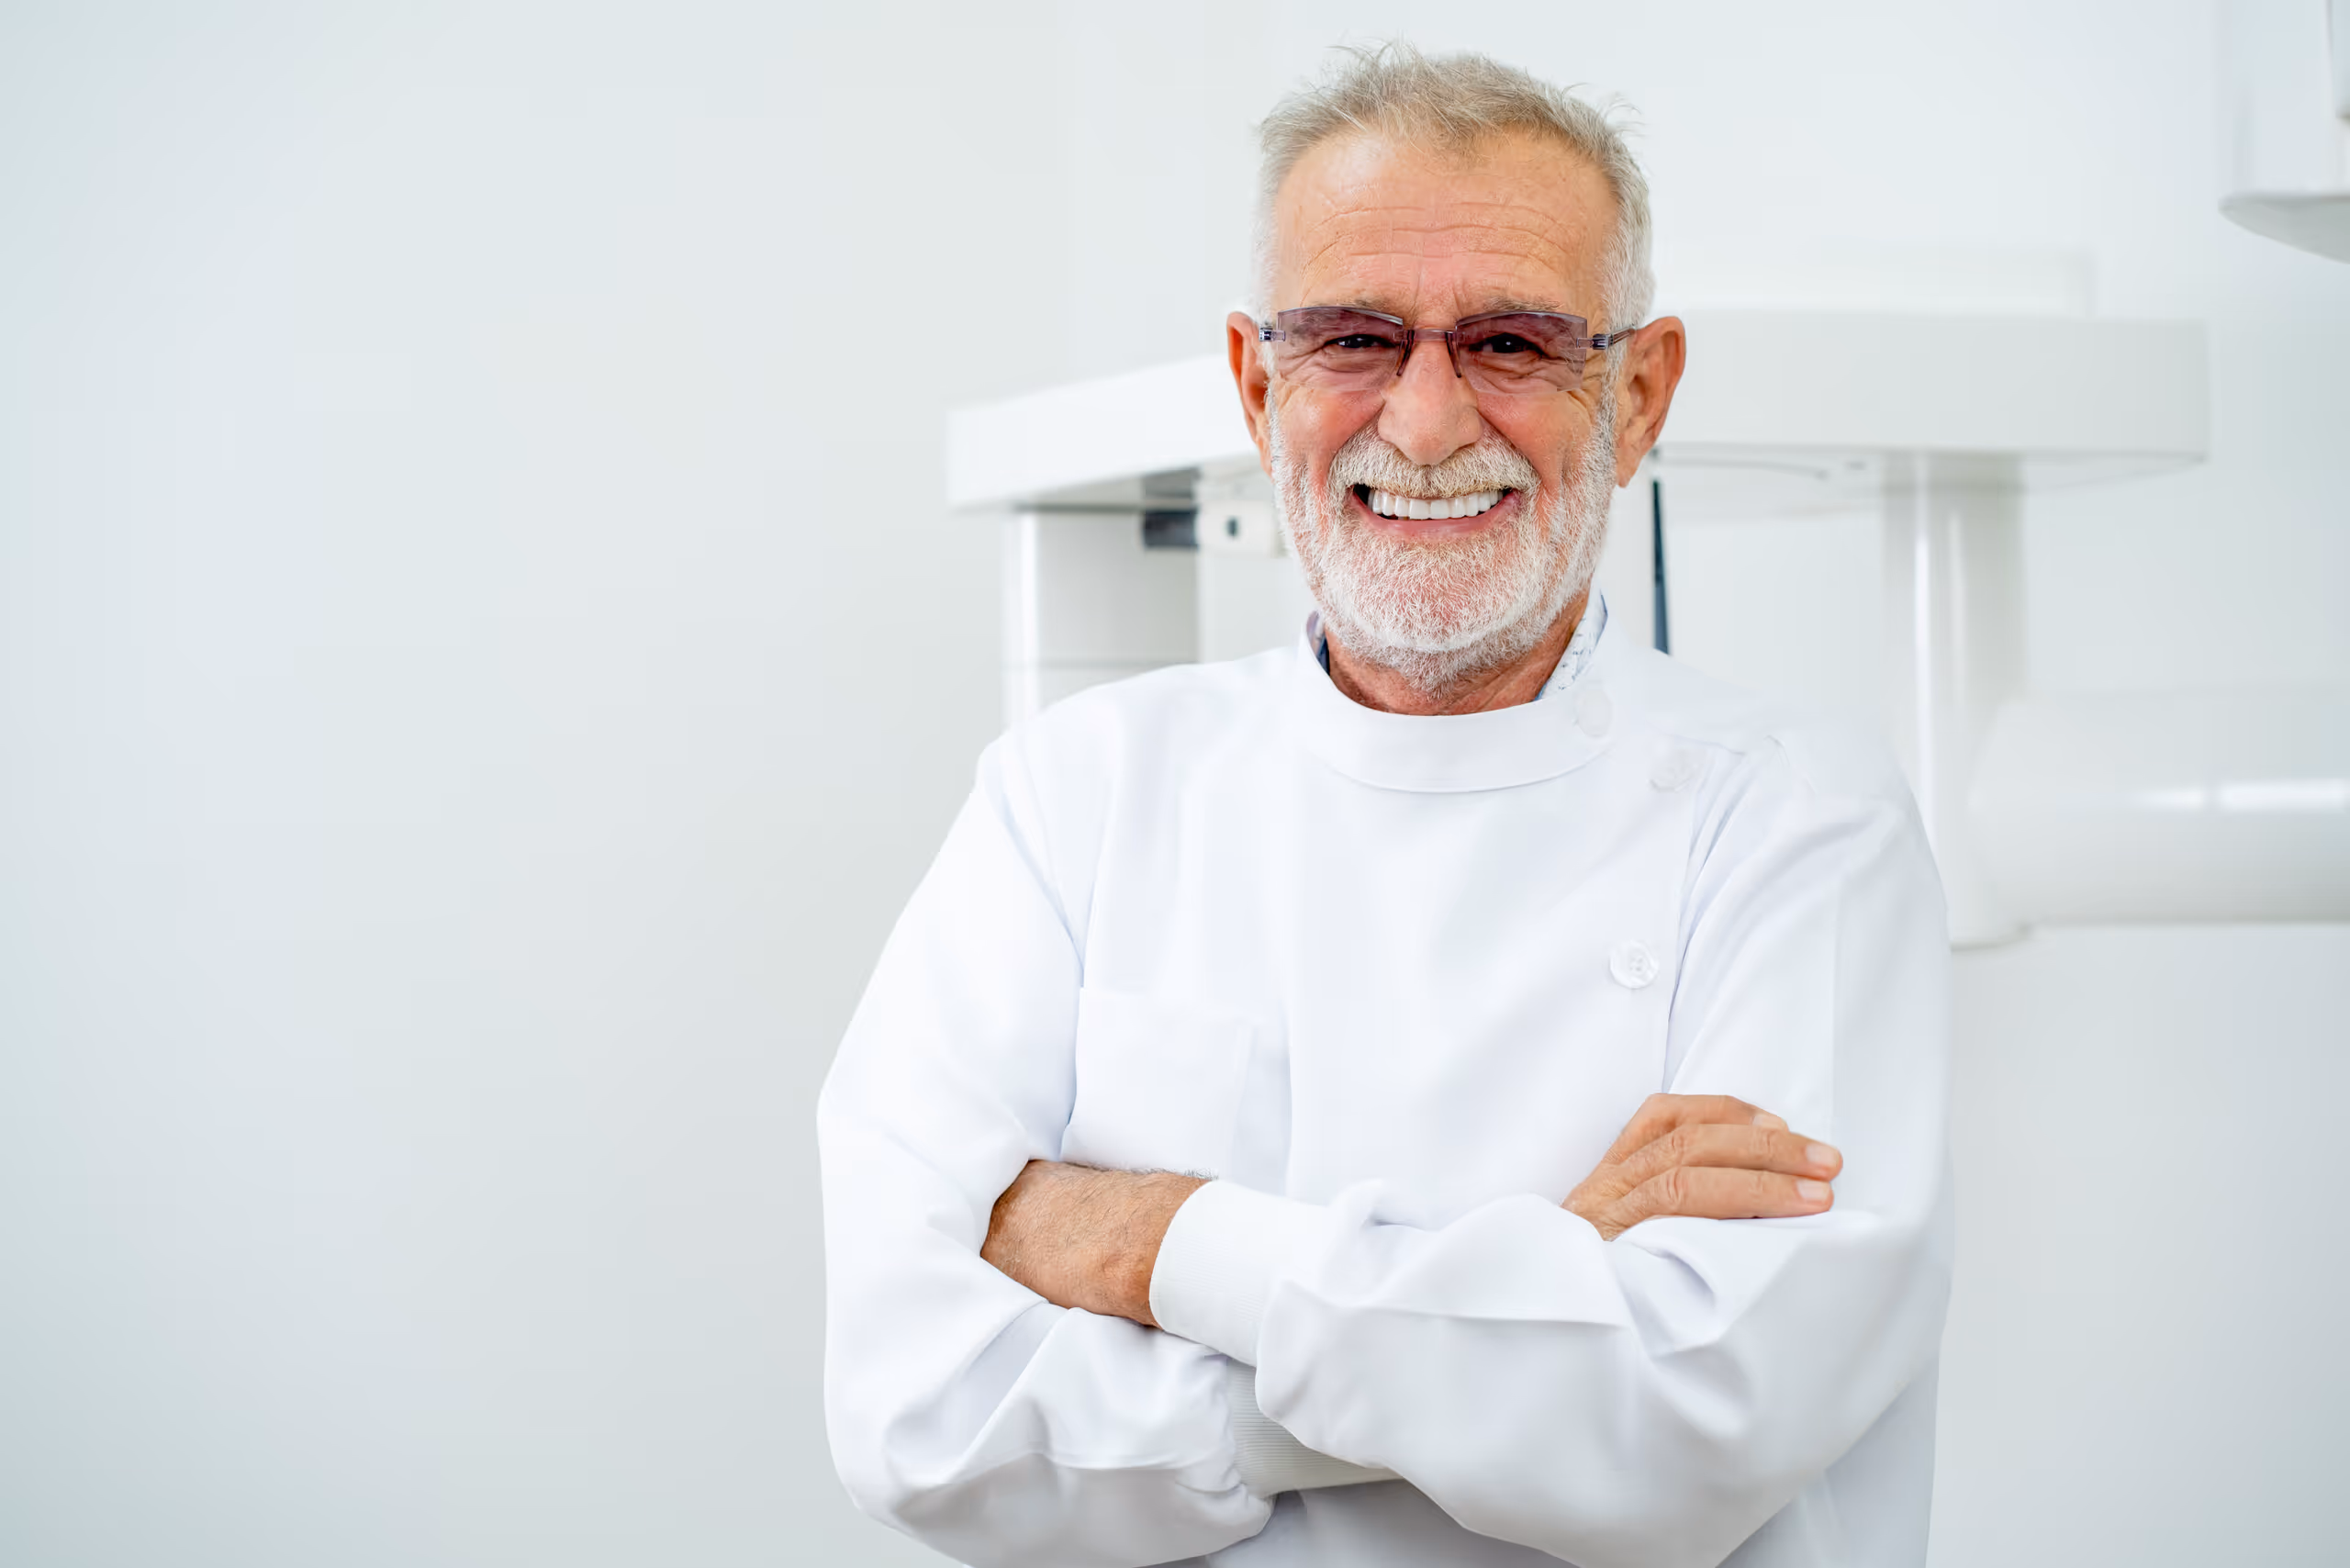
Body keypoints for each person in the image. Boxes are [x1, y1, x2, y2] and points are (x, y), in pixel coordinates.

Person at [819, 43, 1952, 1568]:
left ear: (1642, 388)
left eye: (1510, 342)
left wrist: (1158, 1241)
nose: (1424, 424)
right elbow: (923, 1421)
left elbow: (1686, 1427)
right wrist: (1534, 1281)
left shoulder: (1798, 823)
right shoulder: (1071, 796)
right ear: (1253, 378)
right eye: (1354, 337)